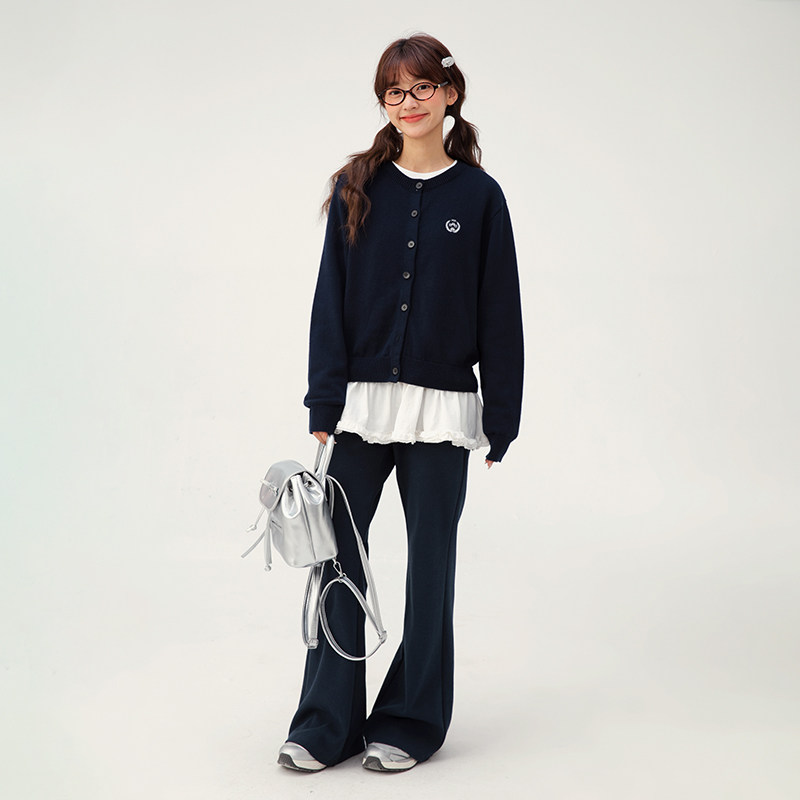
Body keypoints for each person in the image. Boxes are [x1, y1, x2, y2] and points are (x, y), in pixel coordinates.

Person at [277, 32, 524, 773]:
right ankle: (326, 724)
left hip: (443, 412)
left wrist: (502, 416)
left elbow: (500, 311)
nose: (408, 102)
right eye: (394, 91)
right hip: (360, 408)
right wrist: (324, 401)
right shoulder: (359, 185)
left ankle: (410, 722)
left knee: (430, 570)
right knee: (337, 561)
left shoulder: (479, 197)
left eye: (421, 88)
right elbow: (330, 299)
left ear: (450, 93)